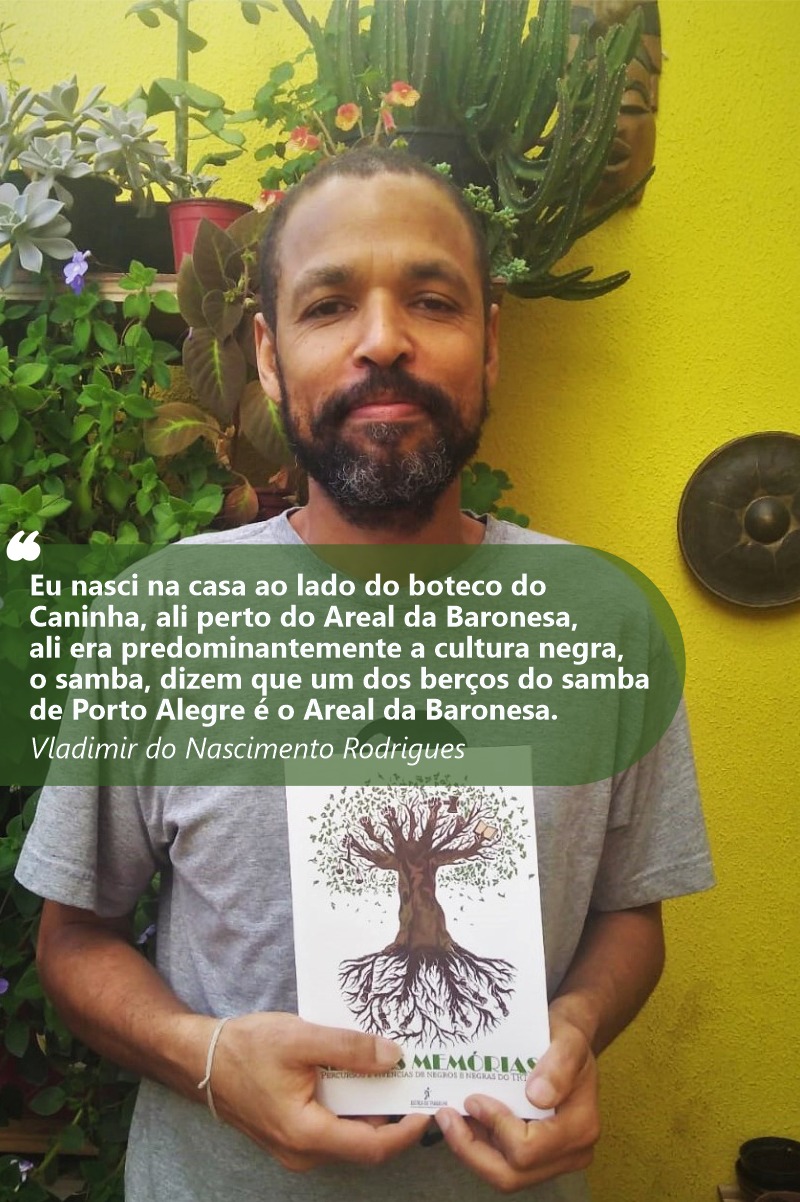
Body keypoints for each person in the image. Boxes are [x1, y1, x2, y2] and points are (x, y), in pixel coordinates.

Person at [16, 148, 713, 1201]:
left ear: (487, 344)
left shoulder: (609, 624)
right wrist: (206, 1060)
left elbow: (628, 912)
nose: (381, 340)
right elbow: (73, 935)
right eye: (329, 303)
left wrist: (573, 1023)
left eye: (430, 300)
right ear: (265, 353)